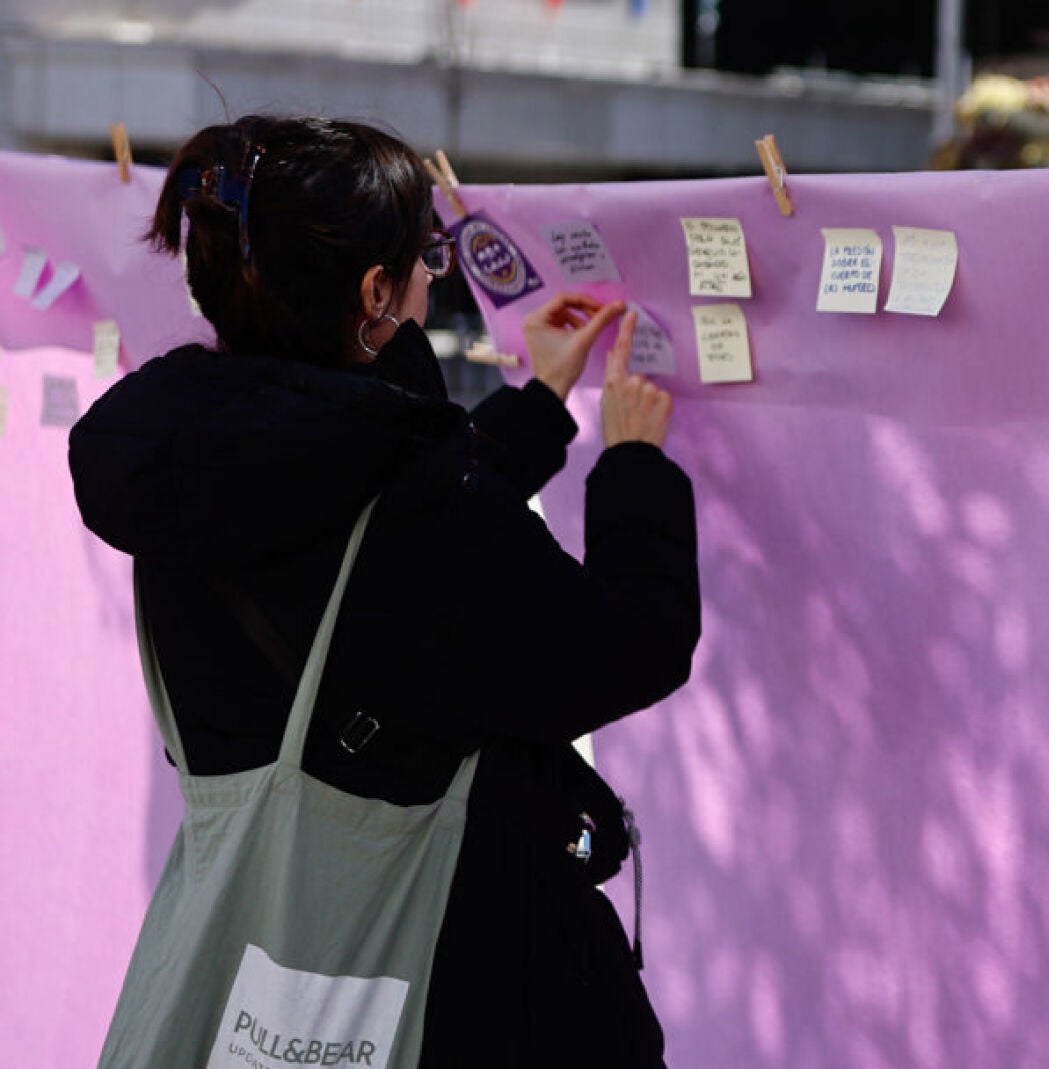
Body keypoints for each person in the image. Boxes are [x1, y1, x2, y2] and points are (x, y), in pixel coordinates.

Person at [68, 116, 697, 1066]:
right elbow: (629, 641)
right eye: (426, 255)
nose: (435, 274)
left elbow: (363, 541)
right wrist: (635, 467)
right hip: (467, 982)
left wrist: (532, 411)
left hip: (261, 963)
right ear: (373, 293)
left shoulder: (184, 467)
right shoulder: (414, 523)